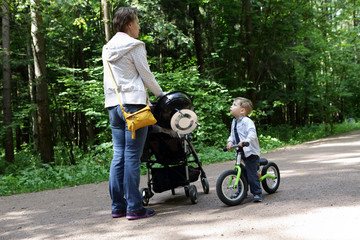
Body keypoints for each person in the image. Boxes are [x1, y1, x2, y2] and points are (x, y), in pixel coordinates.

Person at [102, 7, 165, 220]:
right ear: (129, 24)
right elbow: (146, 75)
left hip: (114, 105)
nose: (139, 27)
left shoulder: (107, 48)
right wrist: (161, 95)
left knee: (118, 155)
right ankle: (134, 207)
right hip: (135, 107)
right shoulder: (135, 45)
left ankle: (118, 205)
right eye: (137, 23)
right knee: (132, 156)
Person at [226, 97, 263, 202]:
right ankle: (242, 192)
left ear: (242, 110)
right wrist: (230, 141)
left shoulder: (247, 121)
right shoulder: (234, 122)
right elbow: (232, 135)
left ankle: (257, 193)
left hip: (250, 152)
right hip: (240, 153)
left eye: (234, 105)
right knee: (241, 174)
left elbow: (252, 133)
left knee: (252, 174)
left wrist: (246, 140)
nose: (231, 106)